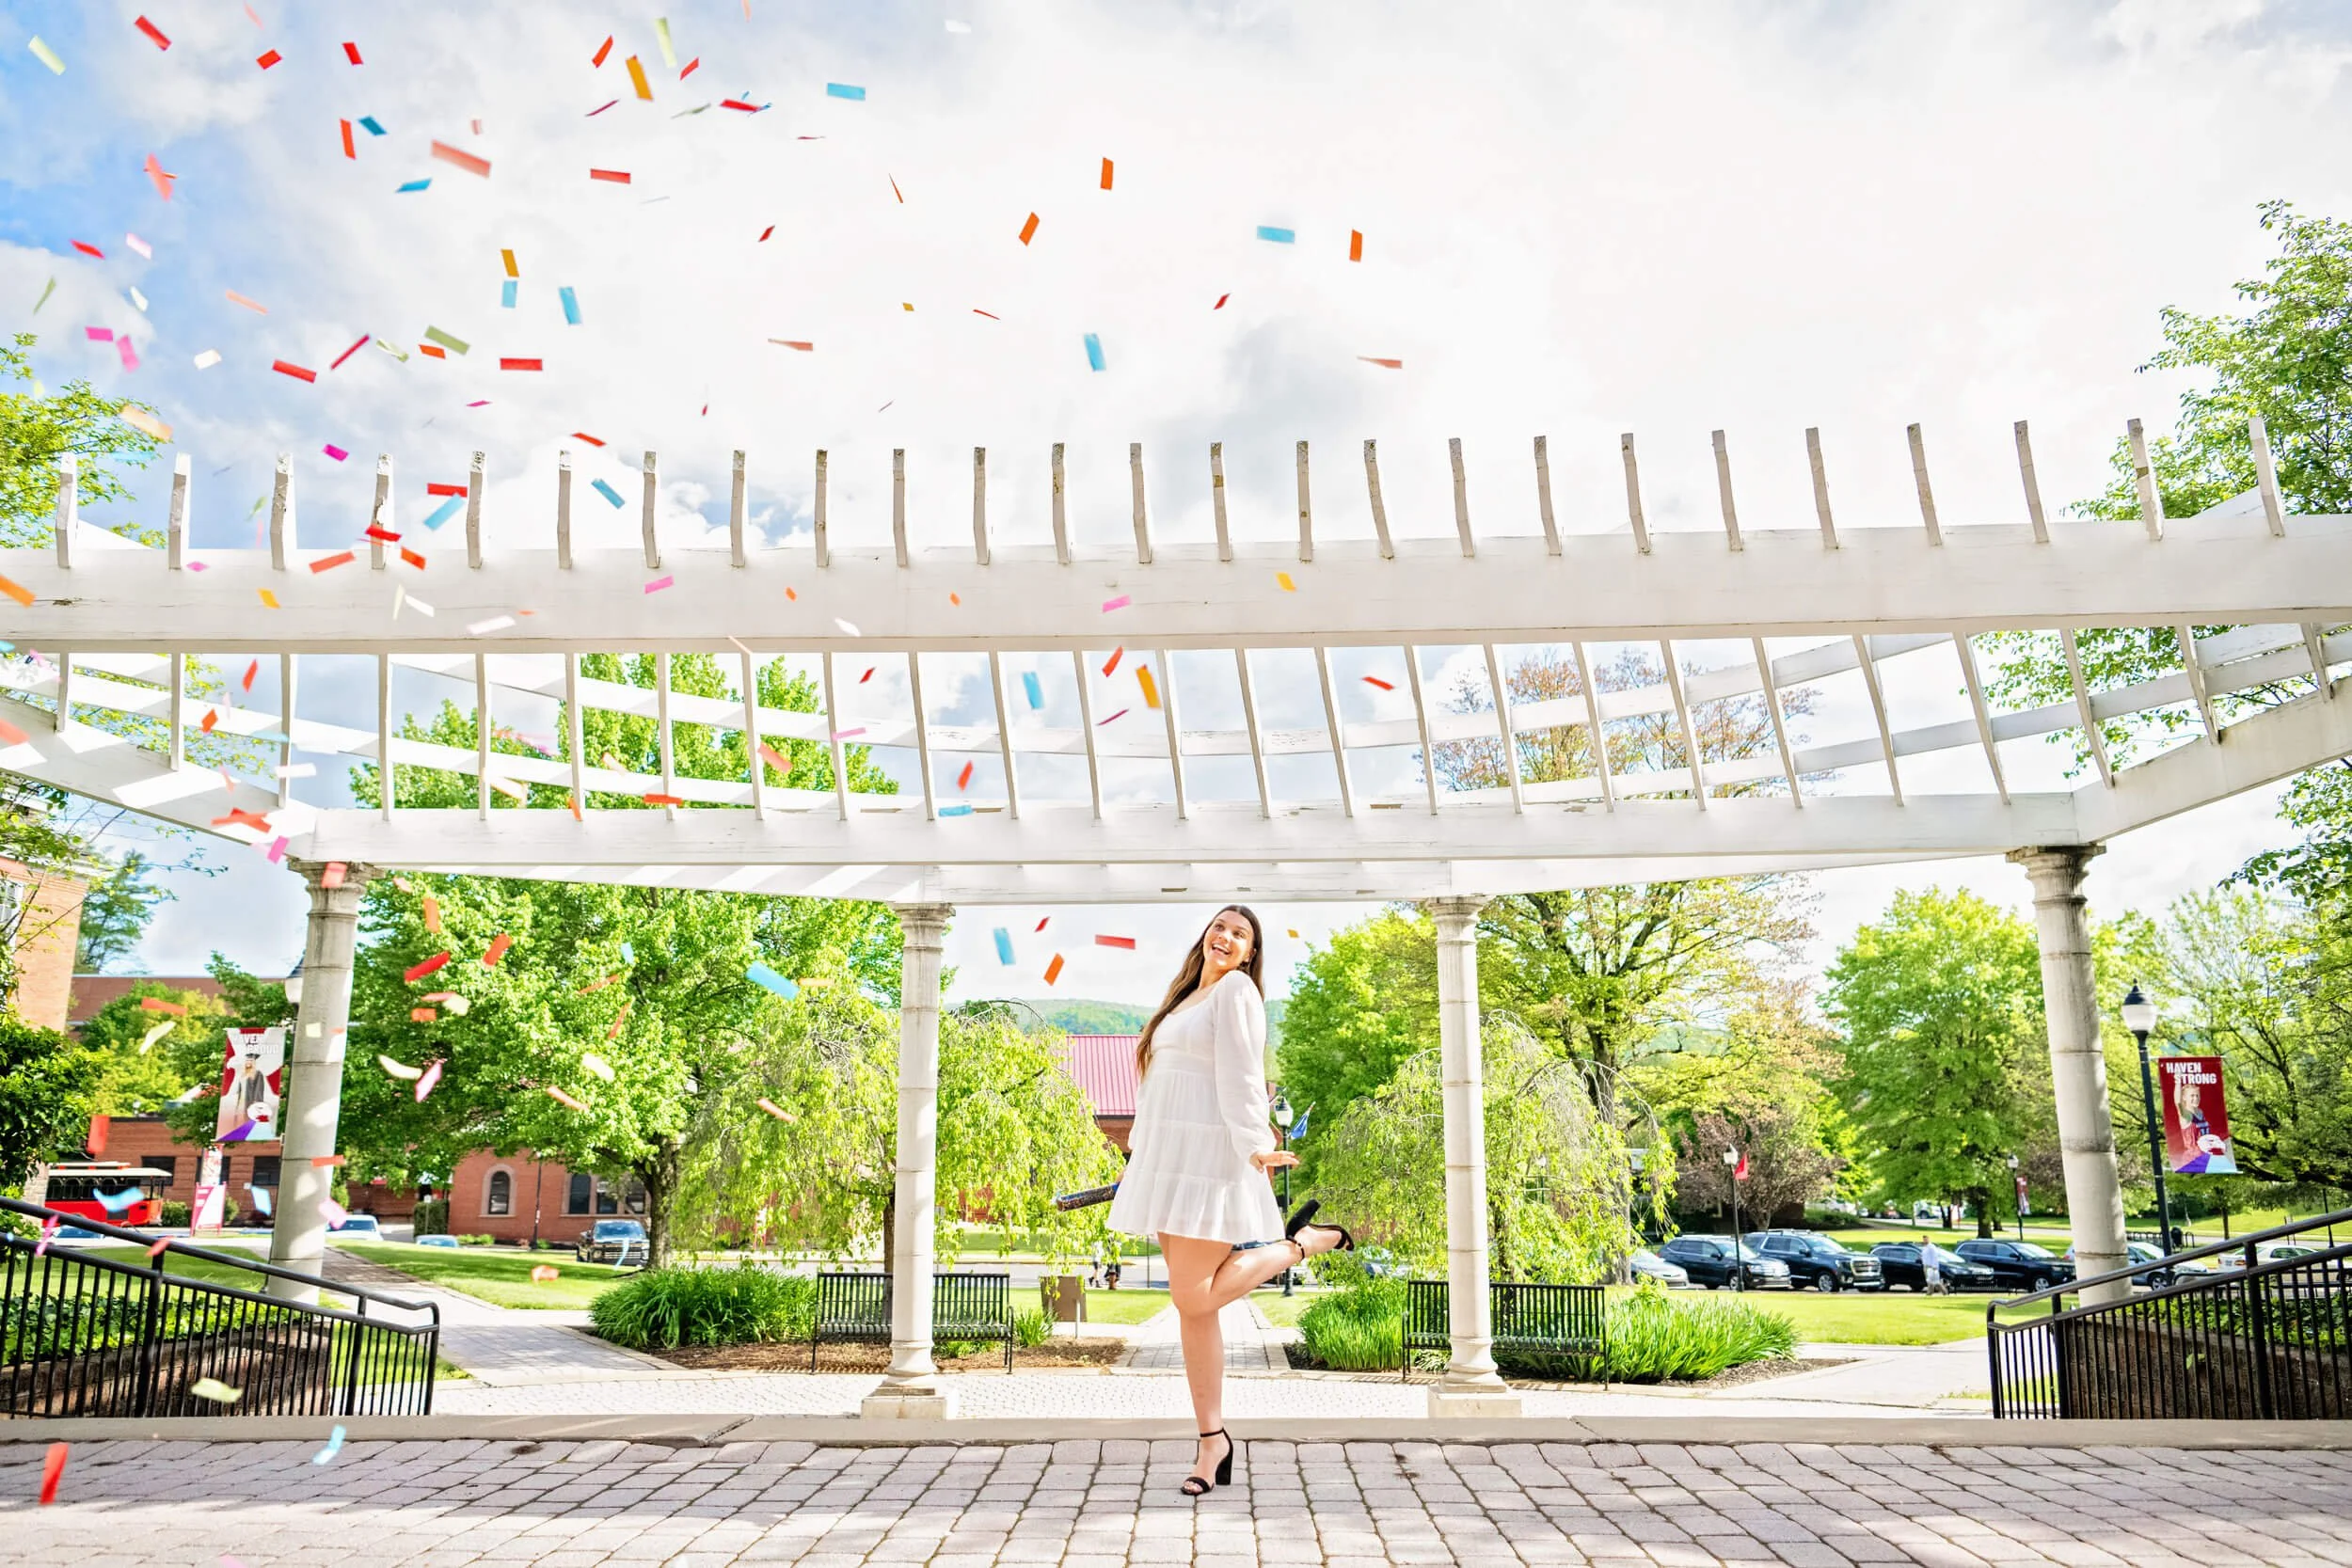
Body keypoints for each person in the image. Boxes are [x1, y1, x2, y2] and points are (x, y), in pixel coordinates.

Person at [1106, 905, 1353, 1497]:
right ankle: (1210, 1440)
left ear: (1249, 954)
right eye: (1221, 926)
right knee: (1196, 1309)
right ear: (1205, 937)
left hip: (1211, 1157)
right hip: (1169, 1159)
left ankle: (1301, 1245)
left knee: (1191, 1293)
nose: (1227, 937)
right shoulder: (1184, 997)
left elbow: (1243, 1071)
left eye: (1240, 934)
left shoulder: (1237, 990)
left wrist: (1256, 1142)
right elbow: (1160, 1079)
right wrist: (1143, 1151)